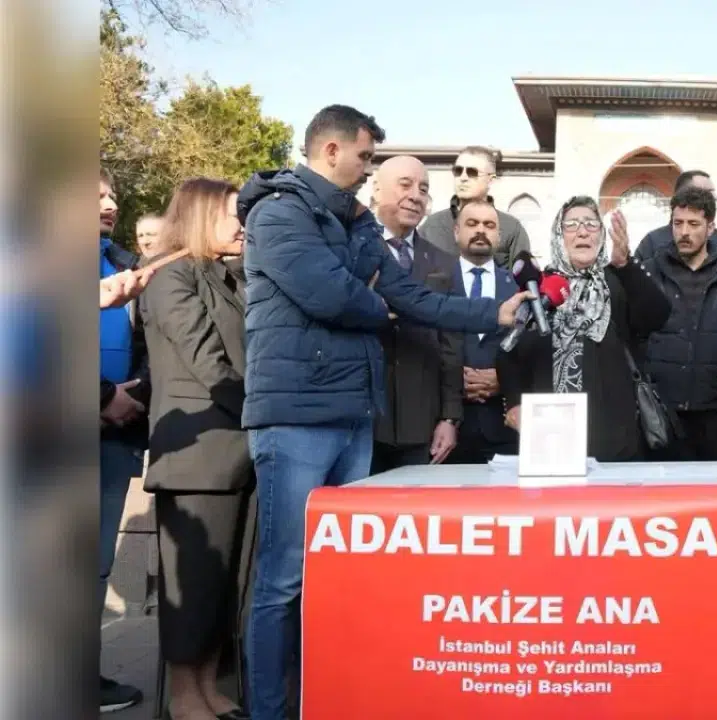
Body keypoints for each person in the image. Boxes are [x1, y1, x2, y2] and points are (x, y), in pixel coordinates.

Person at [237, 104, 530, 720]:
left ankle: (328, 699)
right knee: (285, 578)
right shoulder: (280, 211)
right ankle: (270, 710)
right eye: (367, 157)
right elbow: (327, 293)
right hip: (295, 417)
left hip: (351, 416)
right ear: (332, 151)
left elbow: (410, 296)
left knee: (340, 578)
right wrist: (374, 305)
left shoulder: (356, 224)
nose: (369, 169)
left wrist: (490, 314)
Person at [138, 178, 255, 720]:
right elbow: (207, 360)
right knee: (192, 588)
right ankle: (184, 697)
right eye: (232, 215)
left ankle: (209, 688)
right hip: (196, 458)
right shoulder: (170, 277)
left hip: (233, 452)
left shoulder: (229, 276)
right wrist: (263, 414)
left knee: (220, 587)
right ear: (203, 215)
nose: (241, 225)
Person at [498, 197, 671, 462]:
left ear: (602, 235)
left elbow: (656, 316)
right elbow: (509, 351)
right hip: (549, 433)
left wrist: (626, 265)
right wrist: (514, 403)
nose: (582, 231)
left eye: (591, 224)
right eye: (572, 225)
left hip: (612, 432)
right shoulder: (539, 286)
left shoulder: (619, 280)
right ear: (559, 234)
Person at [369, 155, 463, 471]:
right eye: (405, 185)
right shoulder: (350, 249)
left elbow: (451, 345)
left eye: (423, 189)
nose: (415, 196)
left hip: (421, 424)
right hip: (362, 421)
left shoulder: (444, 262)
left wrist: (449, 417)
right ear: (376, 189)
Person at [638, 186, 717, 462]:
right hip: (663, 411)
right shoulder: (650, 271)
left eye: (693, 224)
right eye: (678, 223)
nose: (684, 232)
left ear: (710, 228)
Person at [98, 167, 150, 714]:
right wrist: (100, 396)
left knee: (94, 561)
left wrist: (130, 395)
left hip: (115, 437)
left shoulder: (124, 265)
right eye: (95, 195)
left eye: (112, 193)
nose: (110, 202)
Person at [447, 199, 522, 463]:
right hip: (446, 431)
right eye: (472, 223)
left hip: (504, 429)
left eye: (489, 225)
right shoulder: (434, 281)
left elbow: (530, 353)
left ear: (499, 236)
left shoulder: (518, 287)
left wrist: (504, 380)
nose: (481, 230)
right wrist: (455, 381)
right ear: (456, 231)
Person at [417, 146, 531, 269]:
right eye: (458, 171)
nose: (463, 178)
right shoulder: (432, 226)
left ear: (491, 180)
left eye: (472, 172)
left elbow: (522, 279)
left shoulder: (511, 228)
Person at [633, 170, 717, 263]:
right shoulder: (652, 242)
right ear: (684, 195)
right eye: (708, 192)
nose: (715, 197)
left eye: (694, 224)